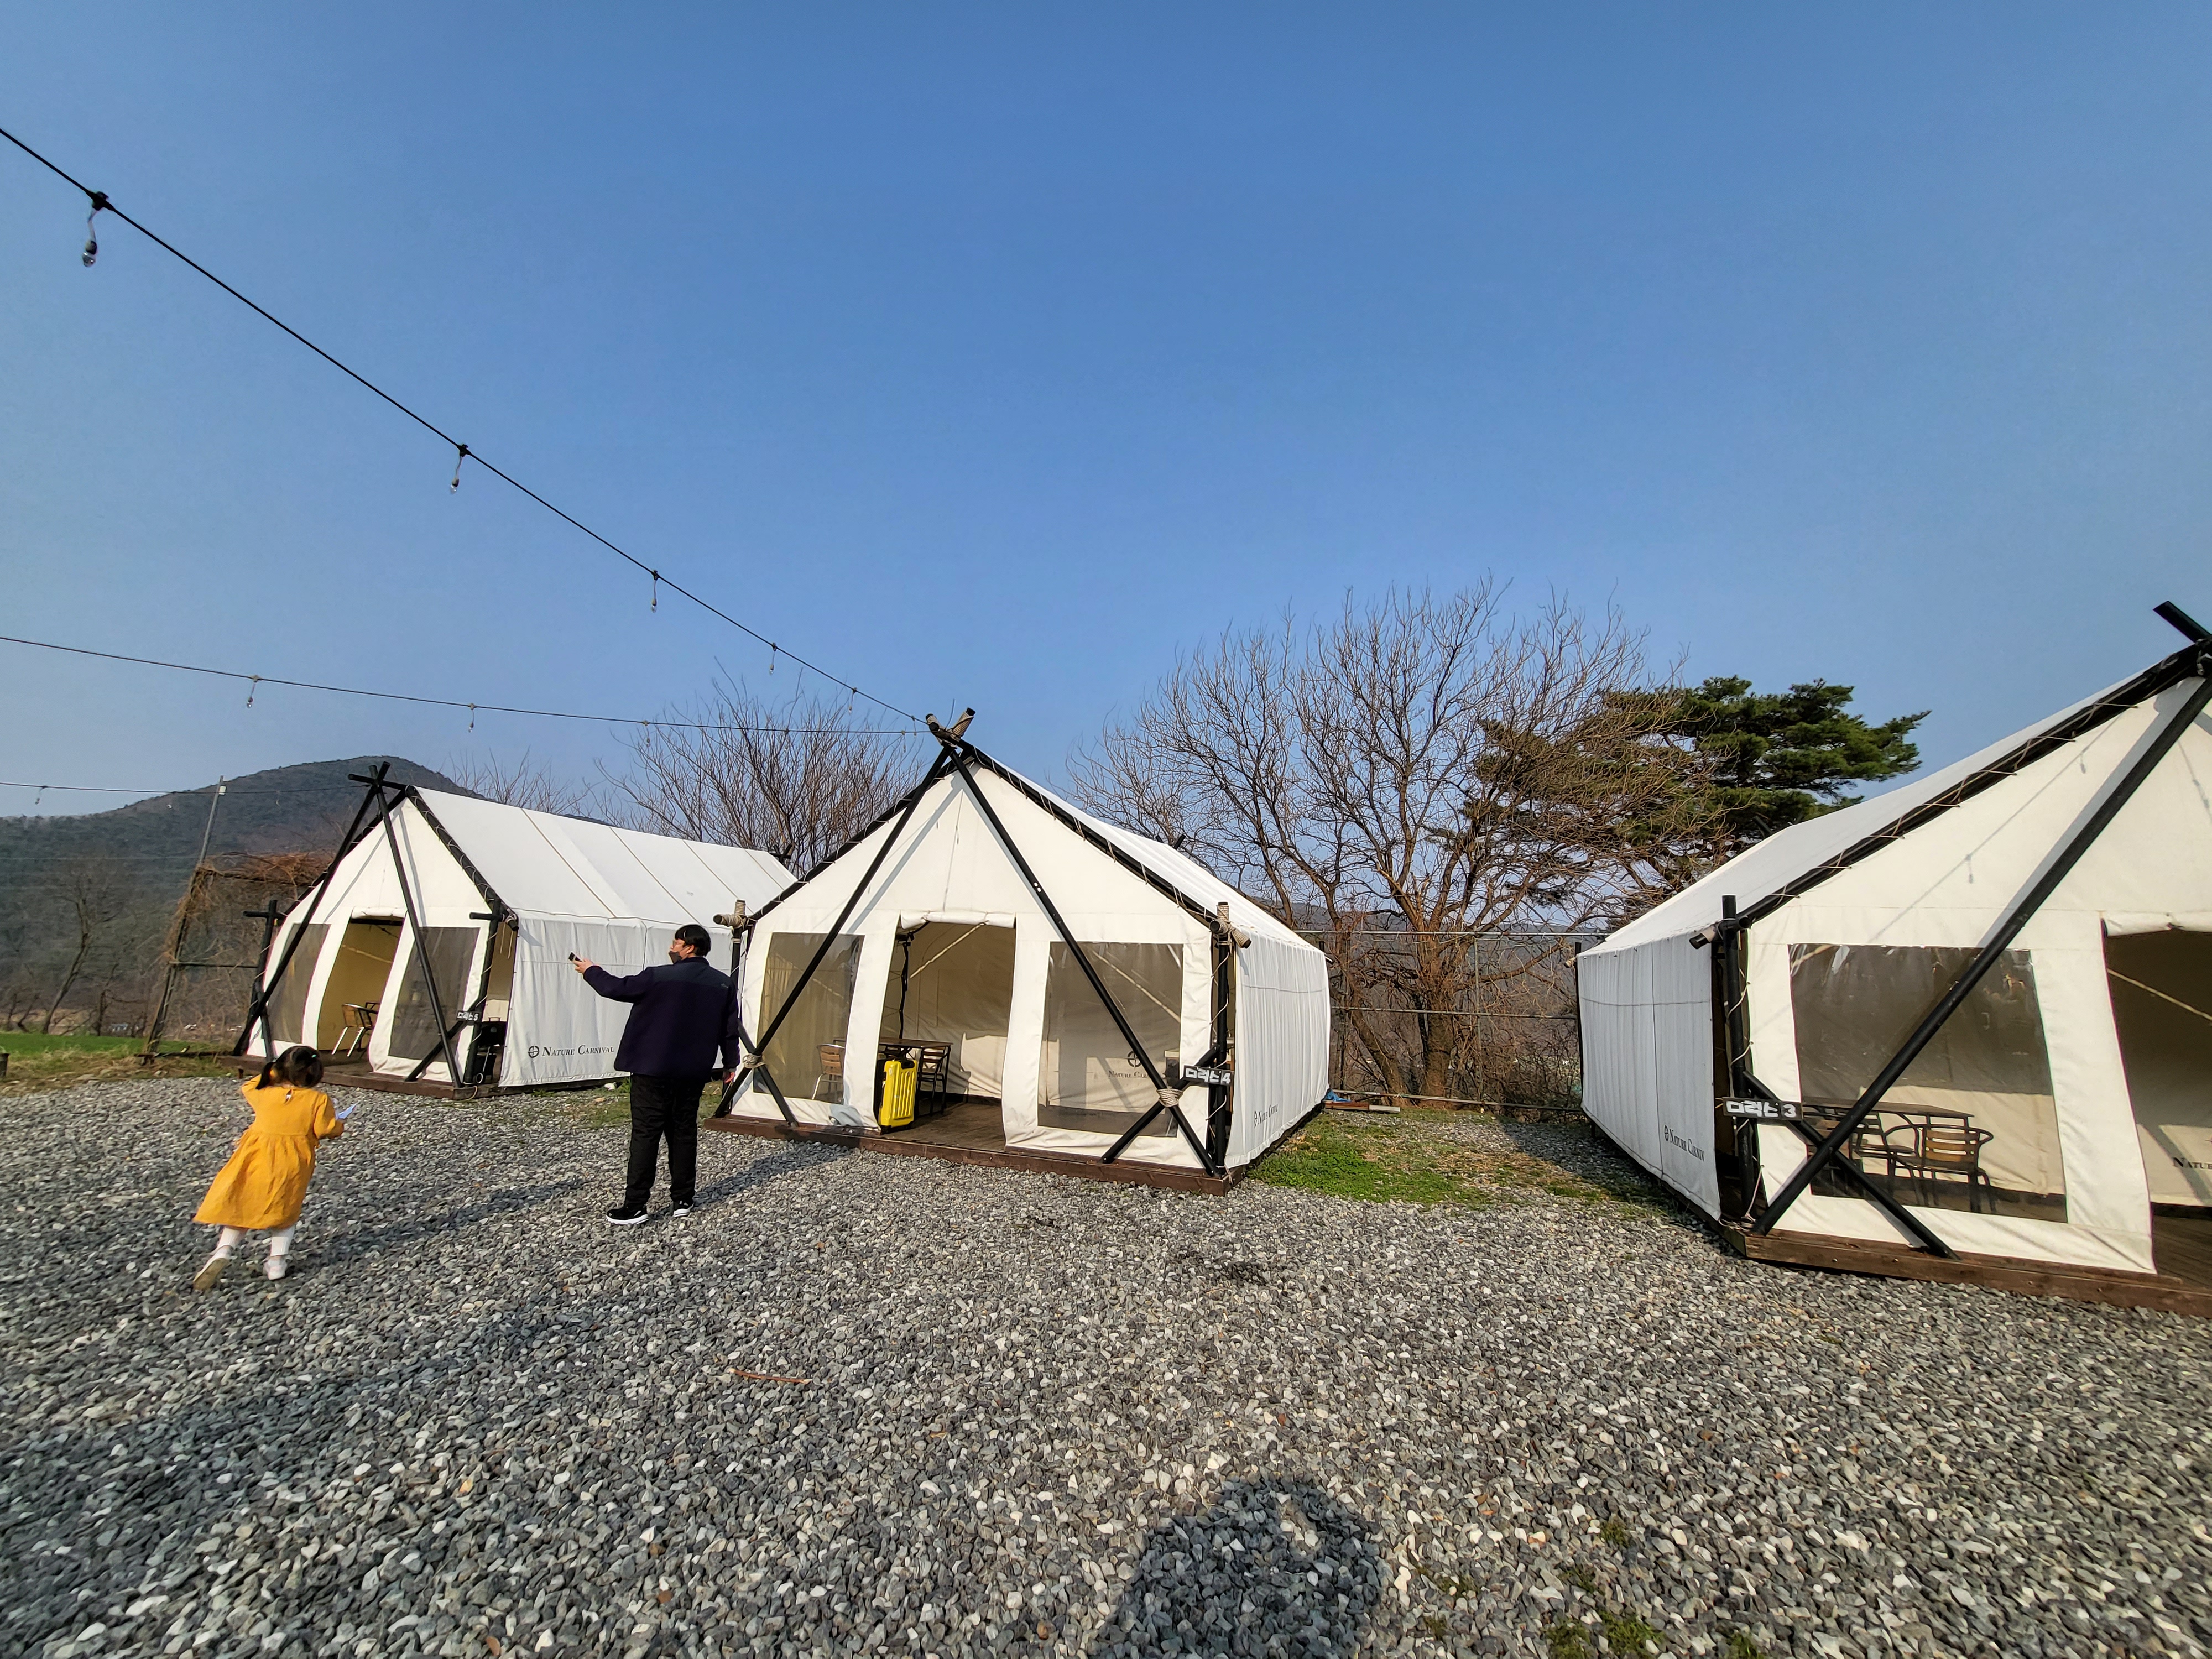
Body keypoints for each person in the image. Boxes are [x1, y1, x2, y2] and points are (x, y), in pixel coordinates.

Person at [570, 923, 736, 1225]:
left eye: (675, 943)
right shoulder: (723, 983)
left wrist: (591, 970)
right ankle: (683, 1199)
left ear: (689, 947)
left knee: (646, 1134)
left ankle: (635, 1205)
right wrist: (730, 1064)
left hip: (652, 1068)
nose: (671, 948)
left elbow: (615, 988)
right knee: (683, 1132)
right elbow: (729, 1029)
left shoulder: (658, 976)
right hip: (693, 1071)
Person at [192, 1045, 347, 1288]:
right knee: (286, 1210)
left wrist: (276, 1072)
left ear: (281, 1068)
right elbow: (324, 1130)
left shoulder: (264, 1094)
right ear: (314, 1072)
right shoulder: (318, 1100)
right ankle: (277, 1263)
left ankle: (223, 1250)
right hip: (292, 1161)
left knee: (244, 1204)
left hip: (255, 1156)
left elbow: (249, 1086)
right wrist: (340, 1124)